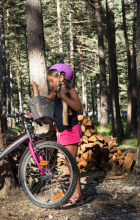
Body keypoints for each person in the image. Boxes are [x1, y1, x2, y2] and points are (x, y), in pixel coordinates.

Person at [46, 63, 83, 205]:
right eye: (49, 81)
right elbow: (45, 101)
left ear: (61, 78)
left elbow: (78, 107)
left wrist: (63, 96)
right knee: (68, 162)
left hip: (71, 130)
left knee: (71, 163)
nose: (50, 84)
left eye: (51, 81)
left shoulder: (70, 91)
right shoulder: (55, 94)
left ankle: (77, 193)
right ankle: (77, 192)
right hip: (62, 131)